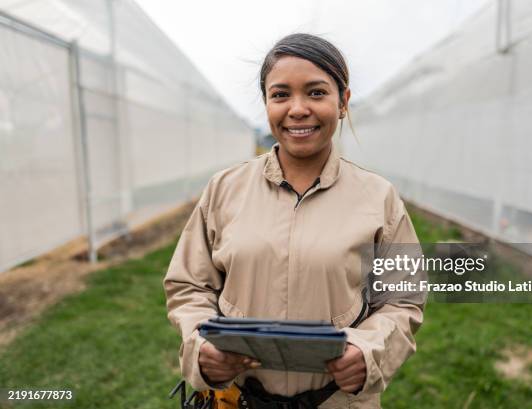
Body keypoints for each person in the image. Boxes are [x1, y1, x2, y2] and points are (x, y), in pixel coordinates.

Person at [164, 33, 425, 409]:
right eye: (281, 94)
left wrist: (368, 352)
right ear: (267, 103)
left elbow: (402, 301)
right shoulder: (224, 189)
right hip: (237, 400)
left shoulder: (379, 198)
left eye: (316, 93)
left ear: (343, 103)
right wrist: (201, 346)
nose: (297, 109)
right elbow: (189, 285)